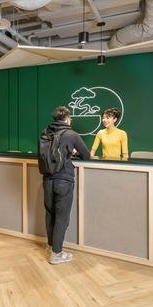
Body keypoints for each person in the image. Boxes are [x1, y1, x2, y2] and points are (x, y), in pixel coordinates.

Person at [39, 106, 91, 265]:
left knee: (50, 214)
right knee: (62, 217)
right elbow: (87, 156)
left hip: (47, 179)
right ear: (67, 119)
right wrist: (72, 152)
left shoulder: (45, 133)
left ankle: (51, 246)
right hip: (64, 180)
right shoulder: (71, 134)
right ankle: (57, 253)